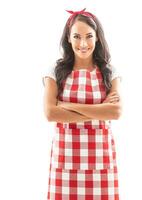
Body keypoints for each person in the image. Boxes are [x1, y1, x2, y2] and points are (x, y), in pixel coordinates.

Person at [42, 8, 122, 200]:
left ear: (97, 38)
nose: (83, 43)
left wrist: (67, 105)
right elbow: (51, 114)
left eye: (89, 36)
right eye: (77, 36)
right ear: (68, 38)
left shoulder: (109, 71)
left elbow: (116, 112)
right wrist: (100, 111)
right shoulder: (55, 70)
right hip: (66, 160)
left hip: (100, 160)